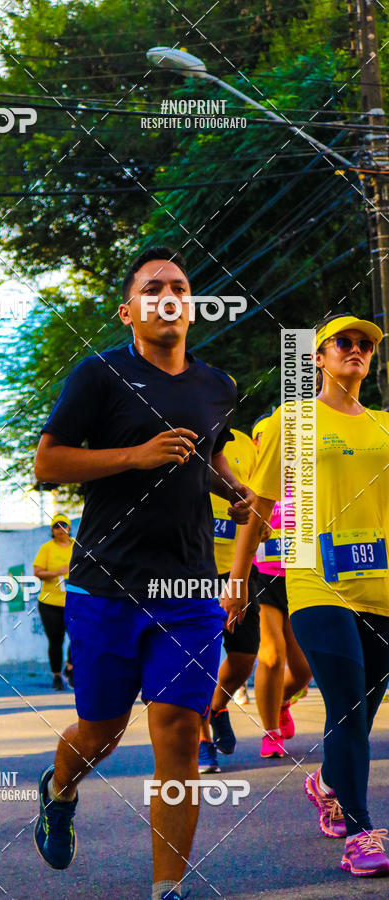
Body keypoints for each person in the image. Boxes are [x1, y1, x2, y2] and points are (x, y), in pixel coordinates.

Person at [32, 246, 253, 900]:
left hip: (187, 589)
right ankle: (60, 786)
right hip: (105, 584)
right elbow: (47, 465)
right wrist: (134, 455)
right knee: (101, 731)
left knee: (181, 733)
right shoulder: (98, 377)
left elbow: (197, 459)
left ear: (191, 307)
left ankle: (167, 889)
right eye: (153, 287)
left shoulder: (217, 387)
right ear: (130, 311)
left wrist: (231, 490)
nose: (168, 295)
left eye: (179, 287)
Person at [223, 313, 389, 877]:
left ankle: (326, 782)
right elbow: (262, 505)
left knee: (362, 709)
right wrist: (238, 580)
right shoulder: (291, 422)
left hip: (382, 584)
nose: (356, 349)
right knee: (344, 701)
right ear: (317, 357)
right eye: (343, 341)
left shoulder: (385, 425)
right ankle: (362, 833)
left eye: (365, 344)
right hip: (315, 578)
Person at [198, 428, 260, 774]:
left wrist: (260, 522)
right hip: (189, 569)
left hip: (237, 568)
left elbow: (257, 496)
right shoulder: (178, 432)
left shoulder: (243, 444)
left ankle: (217, 705)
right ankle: (202, 742)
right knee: (193, 661)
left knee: (243, 657)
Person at [250, 416, 311, 758]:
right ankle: (270, 729)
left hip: (301, 578)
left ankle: (283, 699)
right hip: (263, 576)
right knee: (272, 655)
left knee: (303, 669)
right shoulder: (250, 480)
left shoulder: (306, 478)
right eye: (262, 438)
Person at [33, 514, 74, 690]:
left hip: (75, 601)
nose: (60, 529)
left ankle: (71, 668)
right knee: (55, 640)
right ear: (52, 530)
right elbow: (37, 572)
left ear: (69, 527)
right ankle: (57, 675)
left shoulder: (78, 546)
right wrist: (58, 572)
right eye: (56, 526)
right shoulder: (47, 548)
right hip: (50, 603)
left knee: (79, 637)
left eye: (63, 525)